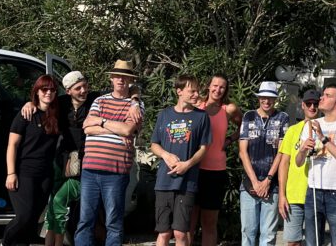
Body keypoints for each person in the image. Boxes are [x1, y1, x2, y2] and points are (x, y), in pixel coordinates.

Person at [20, 71, 142, 246]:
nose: (84, 90)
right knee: (58, 206)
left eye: (85, 86)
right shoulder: (61, 103)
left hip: (87, 161)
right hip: (64, 161)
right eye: (78, 88)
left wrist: (135, 101)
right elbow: (44, 102)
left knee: (64, 203)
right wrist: (30, 103)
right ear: (68, 91)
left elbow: (130, 87)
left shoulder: (95, 99)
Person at [75, 60, 144, 246]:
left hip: (116, 171)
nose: (121, 79)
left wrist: (101, 121)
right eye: (117, 76)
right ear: (111, 78)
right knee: (85, 220)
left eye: (125, 77)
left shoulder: (136, 105)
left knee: (113, 222)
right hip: (90, 169)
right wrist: (114, 128)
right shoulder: (99, 100)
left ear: (130, 80)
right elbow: (87, 127)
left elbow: (128, 130)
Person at [150, 74, 212, 246]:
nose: (196, 94)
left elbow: (204, 148)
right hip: (164, 182)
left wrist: (187, 164)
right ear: (179, 91)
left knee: (180, 232)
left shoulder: (201, 116)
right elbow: (154, 144)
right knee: (163, 232)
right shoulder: (164, 115)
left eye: (197, 91)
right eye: (192, 91)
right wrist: (165, 155)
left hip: (187, 183)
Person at [0, 74, 60, 246]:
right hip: (24, 173)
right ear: (37, 92)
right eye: (44, 89)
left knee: (33, 218)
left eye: (52, 90)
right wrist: (11, 173)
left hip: (45, 175)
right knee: (24, 215)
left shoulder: (57, 115)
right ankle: (4, 243)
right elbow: (12, 145)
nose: (48, 93)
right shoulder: (26, 114)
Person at [295, 83, 336, 246]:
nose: (321, 98)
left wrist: (323, 138)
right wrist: (302, 150)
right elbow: (298, 162)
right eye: (322, 94)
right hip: (313, 190)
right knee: (312, 242)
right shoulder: (311, 124)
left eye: (327, 95)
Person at [189, 74, 242, 246]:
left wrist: (229, 140)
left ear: (226, 90)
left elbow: (244, 126)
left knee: (209, 223)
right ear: (208, 86)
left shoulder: (229, 109)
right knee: (188, 222)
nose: (217, 90)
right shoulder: (196, 105)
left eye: (222, 87)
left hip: (215, 171)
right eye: (215, 85)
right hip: (193, 168)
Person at [239, 81, 290, 246]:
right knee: (247, 232)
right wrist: (255, 181)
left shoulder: (283, 117)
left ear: (275, 99)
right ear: (259, 98)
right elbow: (242, 152)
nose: (266, 101)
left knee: (268, 235)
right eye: (263, 97)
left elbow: (282, 152)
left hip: (272, 184)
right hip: (249, 183)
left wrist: (268, 180)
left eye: (270, 98)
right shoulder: (249, 116)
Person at [277, 89, 321, 246]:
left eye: (315, 104)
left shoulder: (325, 129)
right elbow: (284, 164)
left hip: (317, 194)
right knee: (293, 242)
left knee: (313, 242)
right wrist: (282, 195)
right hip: (294, 194)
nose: (312, 107)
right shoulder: (292, 130)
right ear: (302, 105)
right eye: (308, 103)